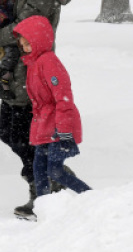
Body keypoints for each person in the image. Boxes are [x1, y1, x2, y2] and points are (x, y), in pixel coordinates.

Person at [0, 0, 73, 218]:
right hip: (17, 70)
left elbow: (24, 28)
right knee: (7, 132)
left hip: (32, 72)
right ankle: (50, 179)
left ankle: (45, 188)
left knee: (24, 137)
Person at [12, 15, 91, 219]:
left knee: (55, 171)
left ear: (40, 40)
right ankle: (44, 210)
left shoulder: (49, 62)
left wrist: (64, 131)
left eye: (29, 43)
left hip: (58, 127)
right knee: (39, 169)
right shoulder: (33, 63)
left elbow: (63, 99)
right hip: (43, 126)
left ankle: (93, 199)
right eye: (23, 43)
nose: (25, 47)